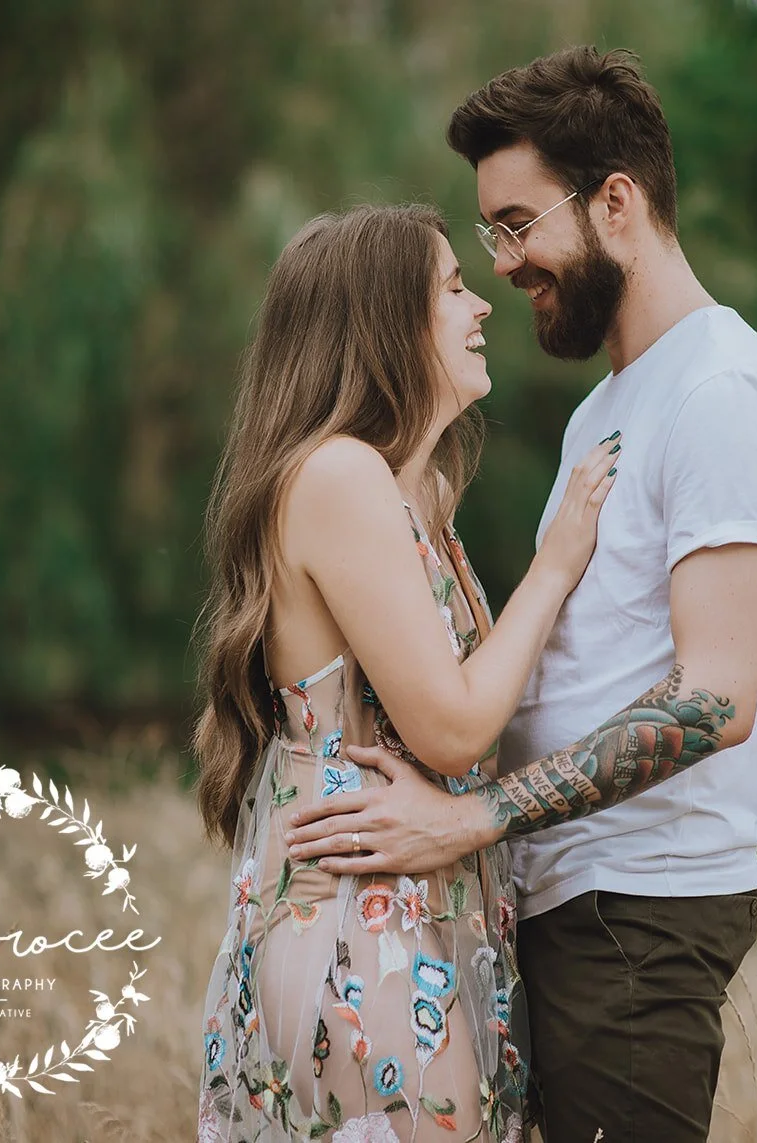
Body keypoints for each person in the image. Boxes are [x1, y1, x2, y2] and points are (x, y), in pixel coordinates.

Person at [283, 48, 757, 1142]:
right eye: (491, 234)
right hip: (562, 901)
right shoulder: (611, 407)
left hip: (640, 912)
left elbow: (717, 699)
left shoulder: (722, 391)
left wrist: (472, 817)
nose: (506, 263)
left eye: (519, 223)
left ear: (614, 201)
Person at [193, 203, 622, 1142]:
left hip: (428, 906)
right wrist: (555, 564)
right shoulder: (338, 477)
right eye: (456, 287)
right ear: (385, 322)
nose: (484, 308)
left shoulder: (411, 490)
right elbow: (453, 728)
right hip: (358, 920)